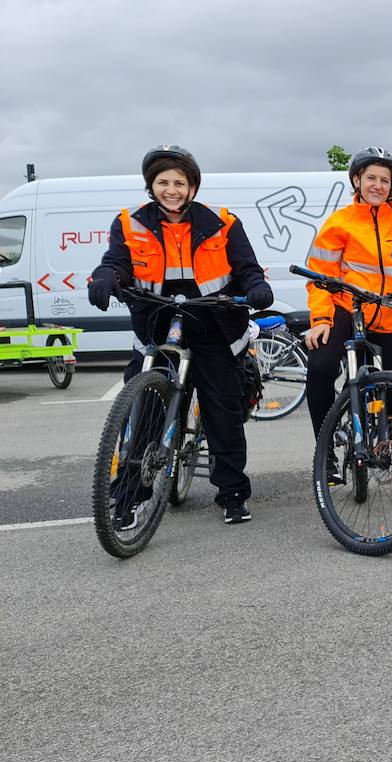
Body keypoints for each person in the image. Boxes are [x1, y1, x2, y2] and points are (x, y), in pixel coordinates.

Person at [87, 145, 274, 526]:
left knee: (222, 413)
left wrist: (256, 287)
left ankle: (232, 493)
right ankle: (128, 498)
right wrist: (107, 276)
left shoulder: (222, 221)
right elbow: (117, 262)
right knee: (144, 415)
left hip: (213, 323)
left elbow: (247, 267)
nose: (171, 190)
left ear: (192, 186)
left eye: (179, 182)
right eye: (163, 182)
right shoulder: (129, 223)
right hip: (158, 321)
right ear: (151, 185)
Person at [302, 146, 392, 503]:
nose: (377, 184)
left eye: (385, 179)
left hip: (390, 315)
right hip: (346, 311)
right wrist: (320, 320)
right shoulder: (340, 223)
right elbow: (319, 278)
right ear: (357, 180)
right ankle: (327, 453)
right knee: (319, 367)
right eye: (371, 177)